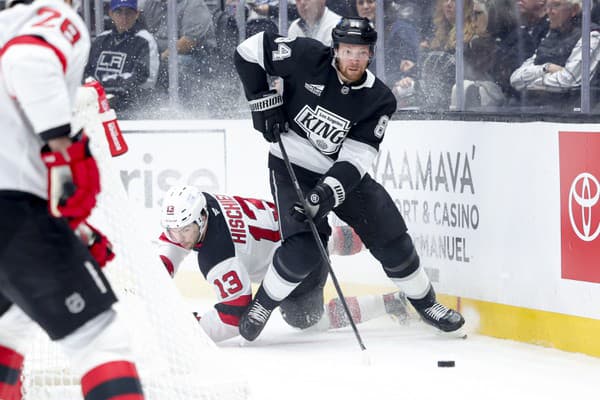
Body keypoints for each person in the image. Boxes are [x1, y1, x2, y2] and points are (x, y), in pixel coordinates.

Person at [233, 16, 465, 341]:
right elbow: (247, 50)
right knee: (305, 248)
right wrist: (261, 101)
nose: (353, 59)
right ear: (335, 49)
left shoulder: (380, 99)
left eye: (361, 52)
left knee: (392, 234)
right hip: (291, 168)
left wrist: (324, 195)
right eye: (347, 51)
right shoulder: (306, 56)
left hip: (340, 175)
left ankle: (426, 304)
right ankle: (263, 305)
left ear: (371, 54)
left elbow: (356, 158)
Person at [0, 1, 146, 400]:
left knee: (10, 323)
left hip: (14, 216)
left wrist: (70, 228)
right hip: (13, 211)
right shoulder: (56, 16)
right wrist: (62, 144)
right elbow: (27, 59)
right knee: (99, 339)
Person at [157, 185, 410, 343]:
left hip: (295, 265)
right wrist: (156, 273)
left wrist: (190, 328)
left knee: (306, 319)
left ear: (201, 220)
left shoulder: (218, 257)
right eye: (173, 231)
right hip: (292, 224)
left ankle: (389, 303)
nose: (178, 238)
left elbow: (233, 317)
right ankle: (386, 233)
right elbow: (176, 237)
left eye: (185, 231)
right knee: (328, 237)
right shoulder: (203, 199)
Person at [510, 0, 600, 110]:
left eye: (556, 5)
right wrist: (546, 68)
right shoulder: (550, 37)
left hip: (571, 113)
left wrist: (531, 84)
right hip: (540, 110)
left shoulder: (591, 36)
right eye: (548, 7)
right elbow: (515, 78)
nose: (549, 12)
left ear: (574, 9)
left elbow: (569, 81)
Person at [85, 0, 159, 116]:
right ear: (111, 13)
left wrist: (109, 89)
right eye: (119, 12)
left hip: (132, 107)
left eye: (129, 12)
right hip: (96, 102)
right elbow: (87, 73)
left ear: (137, 14)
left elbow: (144, 77)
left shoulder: (144, 40)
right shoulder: (101, 40)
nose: (124, 17)